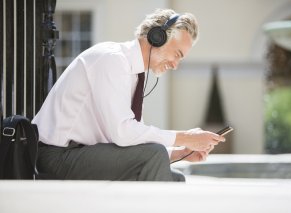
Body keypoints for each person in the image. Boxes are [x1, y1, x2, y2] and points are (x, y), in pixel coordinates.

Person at [32, 8, 225, 182]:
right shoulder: (112, 60)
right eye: (177, 54)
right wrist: (185, 137)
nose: (175, 65)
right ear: (157, 37)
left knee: (175, 178)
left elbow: (133, 140)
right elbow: (123, 133)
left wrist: (178, 153)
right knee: (153, 155)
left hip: (81, 153)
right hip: (56, 156)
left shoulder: (132, 72)